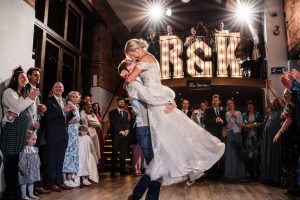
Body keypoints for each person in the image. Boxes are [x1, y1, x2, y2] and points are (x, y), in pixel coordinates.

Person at [124, 38, 225, 187]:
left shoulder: (143, 60)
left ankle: (189, 169)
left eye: (132, 55)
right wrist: (169, 97)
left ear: (136, 49)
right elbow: (157, 84)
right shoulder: (152, 58)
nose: (132, 58)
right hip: (159, 98)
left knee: (167, 143)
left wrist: (127, 71)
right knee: (175, 139)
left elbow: (130, 80)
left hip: (157, 104)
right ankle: (191, 170)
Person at [118, 59, 175, 200]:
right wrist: (168, 100)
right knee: (156, 166)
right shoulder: (134, 84)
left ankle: (137, 195)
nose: (136, 62)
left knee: (156, 166)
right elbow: (151, 99)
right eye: (131, 62)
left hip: (152, 127)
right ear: (127, 69)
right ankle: (139, 196)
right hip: (144, 129)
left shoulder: (139, 81)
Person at [1, 70, 39, 200]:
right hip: (12, 130)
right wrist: (29, 98)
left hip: (21, 132)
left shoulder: (21, 94)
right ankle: (10, 191)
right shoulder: (8, 92)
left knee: (18, 161)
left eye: (25, 78)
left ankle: (17, 190)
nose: (25, 79)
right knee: (11, 161)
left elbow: (30, 110)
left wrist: (31, 99)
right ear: (15, 78)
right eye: (22, 77)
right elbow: (17, 108)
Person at [44, 82, 75, 192]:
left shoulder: (66, 101)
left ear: (63, 89)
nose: (58, 88)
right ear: (53, 89)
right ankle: (51, 183)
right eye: (56, 87)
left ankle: (59, 182)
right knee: (52, 160)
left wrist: (72, 111)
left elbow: (67, 117)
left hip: (64, 135)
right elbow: (47, 117)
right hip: (53, 135)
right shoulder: (48, 101)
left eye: (60, 87)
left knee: (60, 160)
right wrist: (62, 110)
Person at [260, 80, 283, 184]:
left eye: (275, 100)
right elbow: (267, 99)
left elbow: (277, 98)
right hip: (268, 134)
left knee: (274, 153)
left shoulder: (283, 108)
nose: (273, 100)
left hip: (275, 133)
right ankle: (267, 176)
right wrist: (267, 88)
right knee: (268, 153)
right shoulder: (272, 110)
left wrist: (271, 87)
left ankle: (274, 177)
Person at [62, 91, 81, 187]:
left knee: (73, 155)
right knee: (67, 155)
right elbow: (65, 121)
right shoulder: (69, 105)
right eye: (73, 97)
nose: (75, 98)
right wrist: (72, 122)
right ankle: (64, 179)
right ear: (69, 98)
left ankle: (70, 178)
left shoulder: (77, 107)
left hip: (75, 134)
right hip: (69, 132)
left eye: (76, 97)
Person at [224, 99, 245, 180]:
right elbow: (228, 126)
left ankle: (239, 173)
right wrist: (232, 118)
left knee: (238, 153)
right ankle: (230, 173)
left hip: (238, 134)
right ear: (227, 106)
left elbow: (241, 124)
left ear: (234, 104)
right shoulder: (226, 113)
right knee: (230, 154)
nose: (230, 105)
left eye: (231, 103)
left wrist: (235, 117)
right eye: (228, 104)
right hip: (230, 134)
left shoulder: (239, 113)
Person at [242, 100, 262, 179]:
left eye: (251, 105)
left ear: (254, 106)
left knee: (256, 155)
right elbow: (242, 124)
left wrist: (256, 124)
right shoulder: (244, 114)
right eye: (248, 105)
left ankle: (256, 173)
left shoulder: (258, 114)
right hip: (247, 137)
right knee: (249, 155)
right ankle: (249, 173)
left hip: (256, 137)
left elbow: (262, 123)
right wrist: (245, 126)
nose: (250, 106)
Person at [109, 98, 130, 176]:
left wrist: (127, 130)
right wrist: (120, 131)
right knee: (114, 153)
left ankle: (122, 170)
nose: (122, 103)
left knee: (123, 154)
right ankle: (113, 171)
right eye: (120, 102)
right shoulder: (112, 112)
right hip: (116, 136)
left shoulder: (125, 113)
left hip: (124, 136)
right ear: (117, 103)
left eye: (123, 102)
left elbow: (127, 123)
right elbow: (113, 124)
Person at [18, 131, 40, 200]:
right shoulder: (25, 149)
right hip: (26, 169)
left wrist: (38, 164)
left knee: (31, 182)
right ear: (27, 139)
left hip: (33, 169)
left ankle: (31, 194)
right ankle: (24, 195)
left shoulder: (35, 149)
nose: (34, 141)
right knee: (24, 182)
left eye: (35, 139)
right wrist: (22, 169)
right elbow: (22, 160)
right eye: (33, 139)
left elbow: (37, 158)